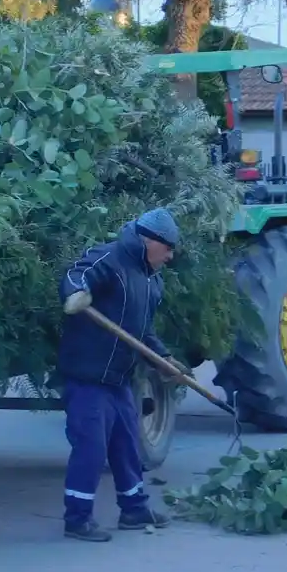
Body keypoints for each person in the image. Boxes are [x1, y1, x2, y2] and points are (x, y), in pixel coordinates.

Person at [57, 208, 184, 542]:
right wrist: (77, 294)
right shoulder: (110, 258)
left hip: (119, 378)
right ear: (148, 240)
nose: (170, 256)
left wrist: (165, 358)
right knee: (91, 448)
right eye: (167, 247)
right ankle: (77, 518)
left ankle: (134, 508)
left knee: (128, 445)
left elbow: (143, 331)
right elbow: (76, 273)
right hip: (87, 375)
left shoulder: (151, 281)